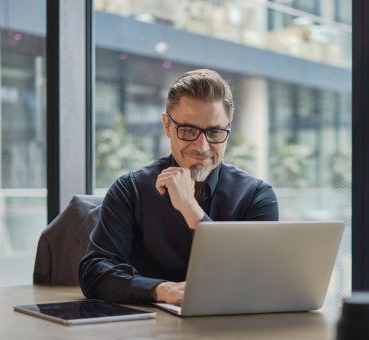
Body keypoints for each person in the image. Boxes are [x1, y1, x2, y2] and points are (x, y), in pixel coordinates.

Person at [79, 69, 279, 305]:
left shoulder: (257, 197)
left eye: (215, 132)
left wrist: (190, 209)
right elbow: (94, 273)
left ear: (228, 129)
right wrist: (162, 291)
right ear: (167, 126)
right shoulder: (130, 189)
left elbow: (257, 280)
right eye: (188, 130)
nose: (202, 146)